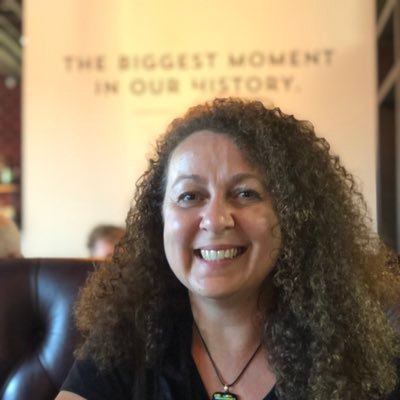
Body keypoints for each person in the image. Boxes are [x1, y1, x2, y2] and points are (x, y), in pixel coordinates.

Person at [56, 98, 400, 399]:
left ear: (294, 216)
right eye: (190, 196)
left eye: (246, 193)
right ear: (158, 221)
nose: (215, 219)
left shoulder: (362, 353)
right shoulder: (125, 341)